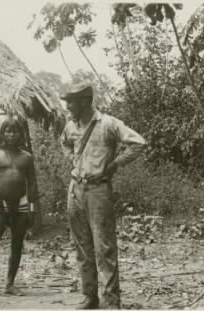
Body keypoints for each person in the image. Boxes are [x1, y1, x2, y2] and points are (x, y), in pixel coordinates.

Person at [60, 82, 146, 309]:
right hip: (75, 190)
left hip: (99, 191)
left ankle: (110, 302)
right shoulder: (70, 126)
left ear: (85, 101)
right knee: (82, 247)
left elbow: (138, 143)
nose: (67, 106)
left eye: (71, 101)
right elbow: (65, 144)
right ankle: (89, 296)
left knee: (104, 248)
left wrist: (116, 163)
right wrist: (74, 160)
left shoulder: (108, 124)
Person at [0, 116, 37, 299]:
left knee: (17, 245)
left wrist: (32, 209)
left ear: (21, 134)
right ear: (2, 133)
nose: (11, 134)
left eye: (15, 131)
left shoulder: (26, 157)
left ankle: (10, 284)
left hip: (21, 204)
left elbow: (32, 183)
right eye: (8, 131)